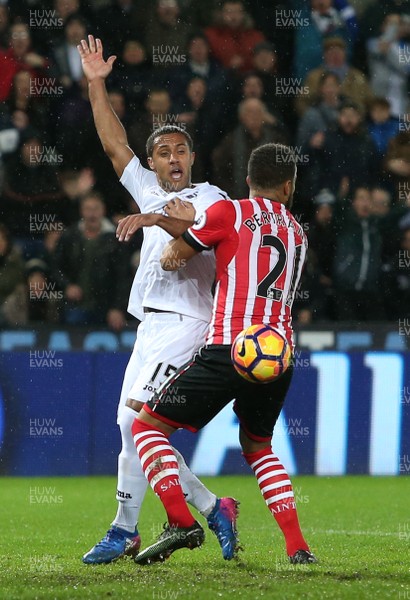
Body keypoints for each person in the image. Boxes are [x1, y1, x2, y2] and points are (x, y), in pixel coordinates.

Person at [77, 35, 238, 564]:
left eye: (180, 150)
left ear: (192, 157)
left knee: (138, 423)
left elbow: (193, 226)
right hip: (150, 325)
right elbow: (112, 143)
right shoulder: (146, 188)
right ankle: (203, 509)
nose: (172, 158)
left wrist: (153, 217)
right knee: (129, 426)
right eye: (163, 152)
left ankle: (148, 524)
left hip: (190, 320)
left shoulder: (211, 196)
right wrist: (97, 85)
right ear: (154, 161)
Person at [127, 143, 317, 566]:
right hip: (278, 354)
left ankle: (180, 520)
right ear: (288, 186)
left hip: (228, 349)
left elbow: (177, 256)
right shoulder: (299, 234)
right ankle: (297, 547)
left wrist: (171, 235)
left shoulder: (230, 212)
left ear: (247, 181)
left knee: (146, 428)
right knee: (259, 447)